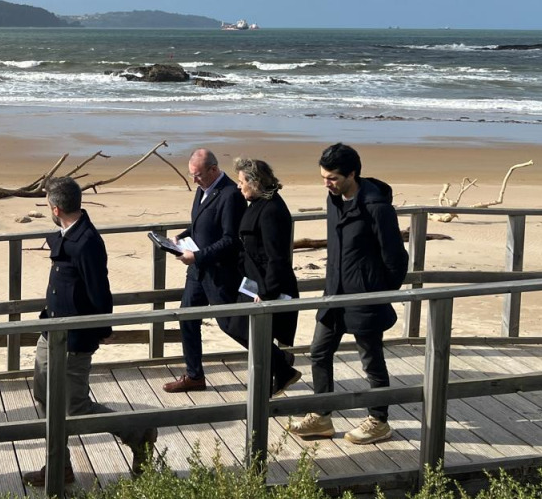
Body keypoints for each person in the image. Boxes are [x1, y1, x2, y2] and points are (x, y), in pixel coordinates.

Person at [23, 177, 158, 488]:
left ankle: (139, 433)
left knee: (76, 407)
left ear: (55, 209)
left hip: (75, 338)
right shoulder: (69, 233)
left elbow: (100, 291)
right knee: (44, 396)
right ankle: (59, 465)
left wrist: (102, 329)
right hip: (51, 330)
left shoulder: (87, 241)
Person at [288, 143, 408, 446]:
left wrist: (377, 293)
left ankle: (379, 421)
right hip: (334, 295)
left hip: (364, 298)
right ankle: (322, 415)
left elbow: (396, 260)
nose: (326, 184)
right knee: (318, 351)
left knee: (371, 360)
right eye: (323, 177)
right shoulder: (334, 199)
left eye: (332, 178)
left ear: (352, 174)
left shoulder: (376, 207)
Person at [163, 149, 249, 393]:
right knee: (187, 318)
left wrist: (197, 256)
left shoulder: (231, 194)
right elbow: (200, 225)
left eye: (198, 175)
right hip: (197, 272)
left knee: (231, 324)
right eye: (191, 175)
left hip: (220, 272)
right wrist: (181, 237)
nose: (194, 180)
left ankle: (279, 360)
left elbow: (231, 240)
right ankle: (194, 376)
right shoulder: (203, 188)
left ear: (213, 169)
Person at [232, 157, 302, 397]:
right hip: (253, 281)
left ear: (255, 182)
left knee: (252, 332)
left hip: (269, 286)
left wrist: (266, 293)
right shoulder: (258, 202)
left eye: (242, 181)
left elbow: (277, 257)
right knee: (239, 327)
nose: (238, 186)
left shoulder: (272, 209)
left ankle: (280, 372)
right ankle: (281, 364)